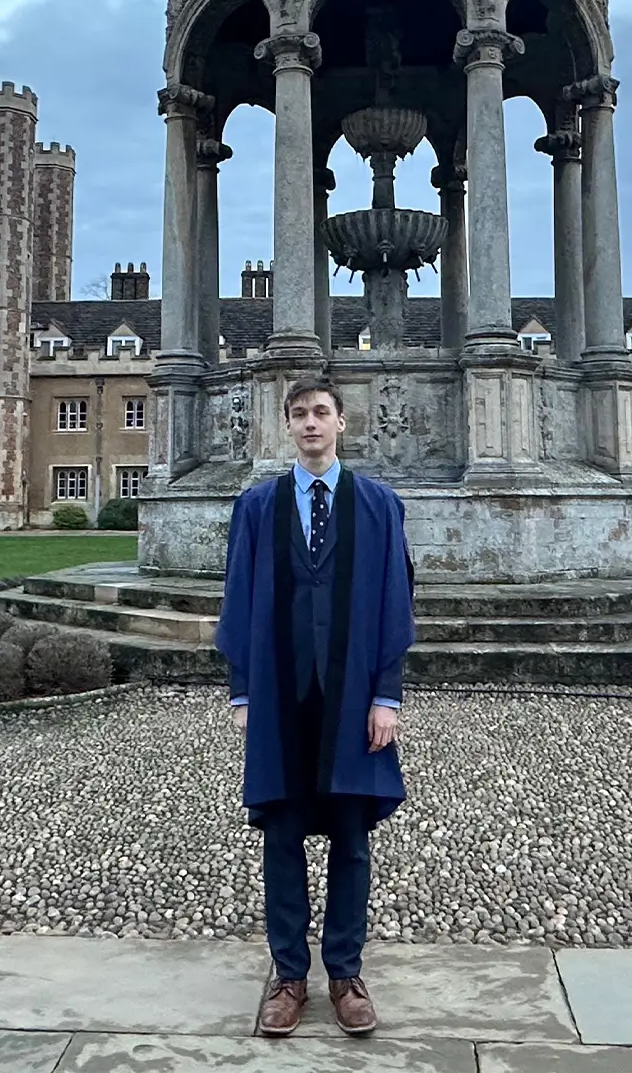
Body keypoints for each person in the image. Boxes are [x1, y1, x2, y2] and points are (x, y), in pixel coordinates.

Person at [215, 377, 415, 1039]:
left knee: (352, 842)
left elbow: (395, 602)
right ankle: (289, 976)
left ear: (341, 423)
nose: (310, 424)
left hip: (354, 698)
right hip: (281, 694)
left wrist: (386, 695)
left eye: (320, 413)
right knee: (281, 838)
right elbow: (240, 597)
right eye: (298, 414)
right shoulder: (257, 506)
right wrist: (243, 690)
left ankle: (346, 973)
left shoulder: (380, 506)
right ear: (287, 426)